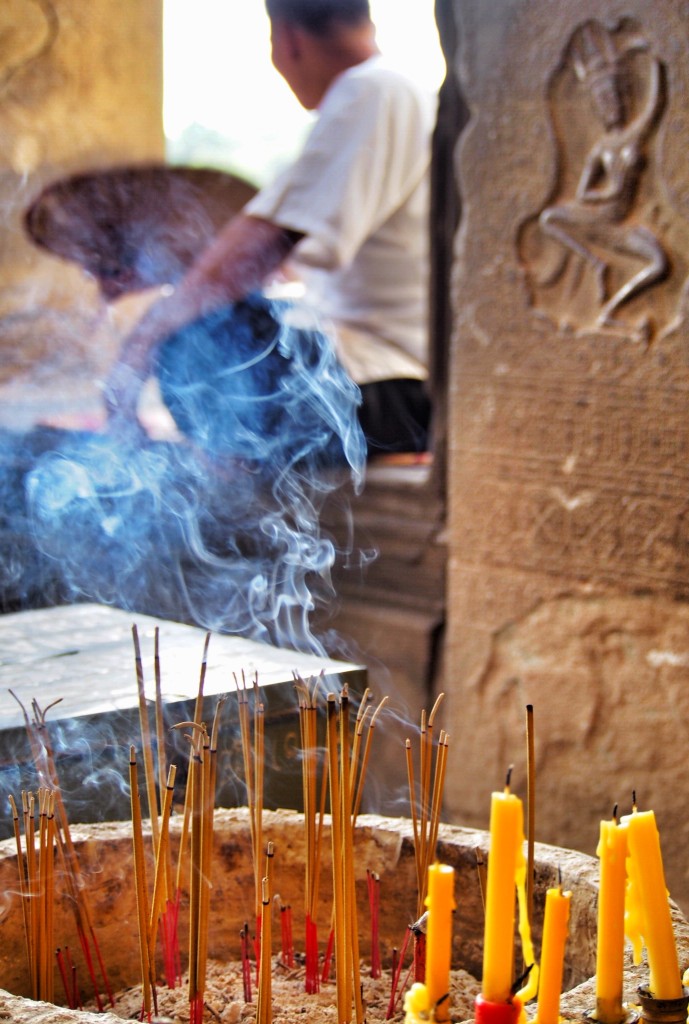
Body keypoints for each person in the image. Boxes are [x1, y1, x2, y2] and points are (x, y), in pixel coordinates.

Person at [104, 0, 437, 459]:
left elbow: (260, 246)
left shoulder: (374, 89)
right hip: (384, 389)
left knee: (195, 342)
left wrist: (140, 346)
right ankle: (234, 464)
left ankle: (231, 467)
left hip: (384, 392)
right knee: (223, 323)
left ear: (286, 41)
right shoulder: (398, 94)